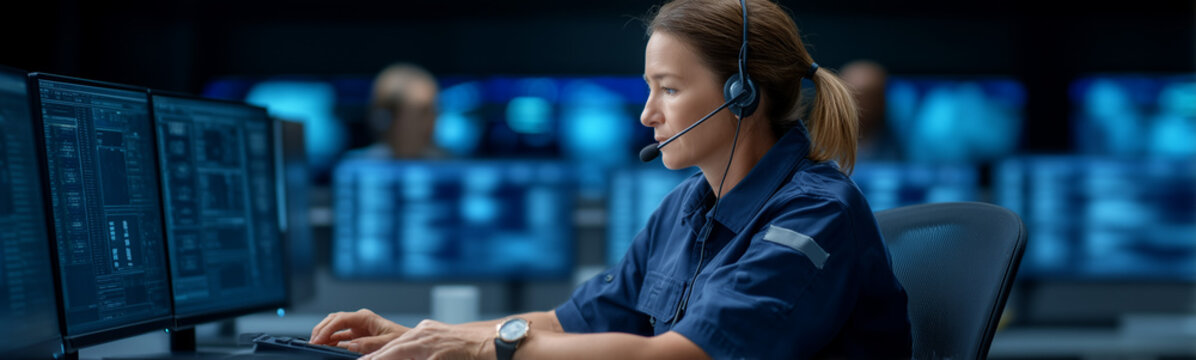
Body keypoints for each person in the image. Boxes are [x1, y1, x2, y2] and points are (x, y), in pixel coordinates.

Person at [309, 0, 912, 358]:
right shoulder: (686, 210)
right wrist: (419, 338)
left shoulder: (812, 215)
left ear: (741, 94)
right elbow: (569, 324)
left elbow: (682, 357)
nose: (647, 114)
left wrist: (481, 349)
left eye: (669, 90)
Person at [346, 62, 444, 159]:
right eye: (424, 111)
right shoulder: (355, 168)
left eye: (434, 110)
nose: (433, 120)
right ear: (385, 118)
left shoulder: (450, 166)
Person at [840, 59, 901, 162]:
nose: (858, 106)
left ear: (882, 100)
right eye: (852, 97)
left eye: (868, 98)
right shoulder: (819, 144)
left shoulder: (901, 139)